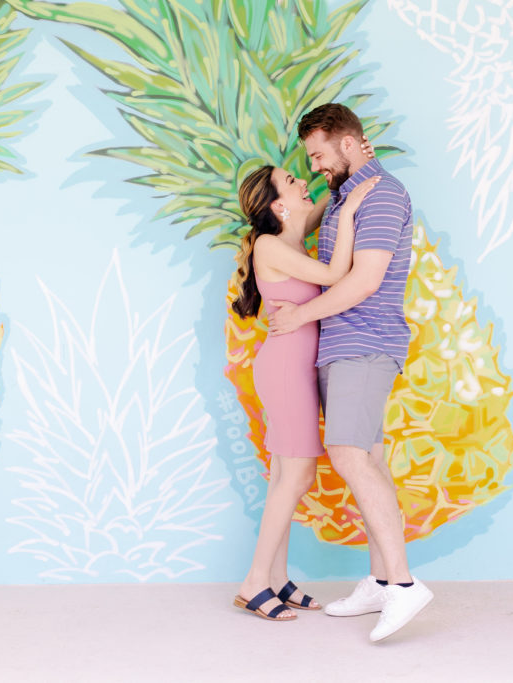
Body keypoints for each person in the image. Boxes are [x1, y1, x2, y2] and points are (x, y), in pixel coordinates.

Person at [267, 103, 433, 642]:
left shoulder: (382, 194)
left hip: (364, 343)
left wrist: (298, 315)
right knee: (371, 459)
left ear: (347, 141)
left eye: (318, 154)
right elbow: (292, 228)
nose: (314, 166)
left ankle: (405, 586)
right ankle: (381, 579)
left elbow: (363, 282)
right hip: (340, 346)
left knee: (348, 455)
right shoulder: (344, 194)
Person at [230, 163, 380, 621]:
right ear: (278, 204)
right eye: (292, 181)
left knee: (284, 477)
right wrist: (353, 207)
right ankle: (255, 582)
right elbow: (337, 273)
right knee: (296, 478)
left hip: (291, 369)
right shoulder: (273, 244)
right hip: (285, 372)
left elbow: (311, 213)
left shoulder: (288, 236)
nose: (301, 182)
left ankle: (275, 579)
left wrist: (350, 178)